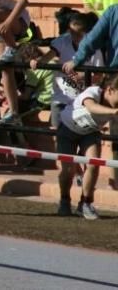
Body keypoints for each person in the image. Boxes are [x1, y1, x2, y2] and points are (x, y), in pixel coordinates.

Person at [51, 73, 118, 220]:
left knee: (93, 164)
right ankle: (64, 200)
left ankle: (86, 203)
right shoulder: (93, 92)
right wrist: (113, 112)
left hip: (90, 133)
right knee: (67, 170)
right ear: (110, 90)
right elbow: (91, 107)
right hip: (67, 130)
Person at [27, 11, 101, 129]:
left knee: (79, 134)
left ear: (88, 33)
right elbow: (51, 54)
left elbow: (99, 76)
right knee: (57, 131)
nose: (74, 37)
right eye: (71, 32)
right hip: (60, 97)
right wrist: (39, 61)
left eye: (78, 34)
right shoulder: (63, 41)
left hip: (82, 102)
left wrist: (82, 76)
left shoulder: (95, 51)